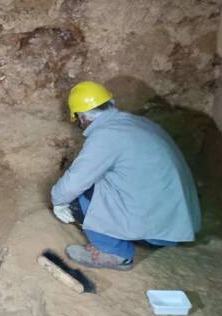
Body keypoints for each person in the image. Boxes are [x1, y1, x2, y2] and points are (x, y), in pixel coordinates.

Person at [50, 81, 201, 270]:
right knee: (99, 180)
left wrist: (58, 201)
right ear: (110, 103)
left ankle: (115, 252)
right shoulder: (137, 123)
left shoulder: (105, 137)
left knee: (77, 199)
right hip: (176, 222)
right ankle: (126, 232)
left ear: (82, 117)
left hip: (158, 232)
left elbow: (73, 183)